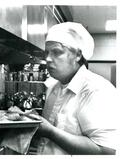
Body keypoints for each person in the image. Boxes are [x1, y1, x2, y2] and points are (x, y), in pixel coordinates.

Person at [33, 22, 118, 155]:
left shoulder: (96, 90)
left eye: (57, 52)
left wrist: (50, 131)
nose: (48, 59)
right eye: (46, 53)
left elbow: (106, 150)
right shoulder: (53, 86)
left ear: (78, 55)